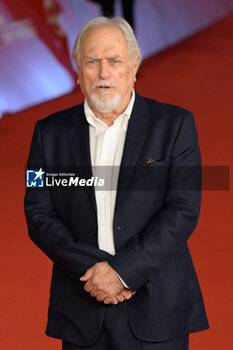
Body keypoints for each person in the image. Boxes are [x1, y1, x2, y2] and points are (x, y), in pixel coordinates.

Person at [24, 16, 209, 350]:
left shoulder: (175, 125)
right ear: (77, 68)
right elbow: (38, 214)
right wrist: (93, 273)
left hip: (158, 310)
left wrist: (123, 272)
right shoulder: (46, 135)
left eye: (114, 61)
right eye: (92, 62)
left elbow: (183, 208)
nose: (103, 73)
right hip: (82, 309)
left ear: (134, 66)